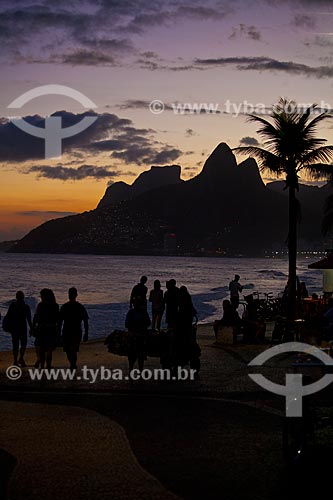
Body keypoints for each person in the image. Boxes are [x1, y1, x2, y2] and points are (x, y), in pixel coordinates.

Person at [59, 287, 89, 369]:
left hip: (69, 331)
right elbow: (85, 321)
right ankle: (73, 363)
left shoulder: (65, 307)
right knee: (72, 350)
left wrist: (58, 333)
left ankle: (72, 364)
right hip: (74, 331)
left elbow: (60, 321)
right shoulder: (79, 307)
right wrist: (86, 333)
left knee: (70, 350)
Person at [32, 288, 59, 369]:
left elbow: (36, 317)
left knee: (42, 349)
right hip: (51, 328)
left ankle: (42, 366)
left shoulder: (41, 305)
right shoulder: (55, 305)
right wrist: (58, 330)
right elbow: (58, 318)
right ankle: (48, 365)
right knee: (49, 349)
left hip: (41, 328)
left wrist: (33, 327)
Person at [6, 291, 32, 367]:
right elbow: (29, 319)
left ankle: (15, 360)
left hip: (14, 328)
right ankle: (21, 358)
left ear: (16, 297)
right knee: (23, 344)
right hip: (23, 328)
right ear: (23, 297)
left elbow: (8, 316)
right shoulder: (26, 307)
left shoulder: (12, 305)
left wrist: (8, 326)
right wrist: (31, 328)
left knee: (15, 345)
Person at [125, 296, 151, 374]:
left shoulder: (132, 312)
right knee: (139, 355)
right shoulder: (142, 312)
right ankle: (138, 370)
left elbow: (127, 324)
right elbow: (148, 323)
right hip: (138, 336)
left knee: (135, 356)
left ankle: (132, 370)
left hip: (136, 336)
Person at [174, 286, 197, 367]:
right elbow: (191, 305)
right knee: (188, 335)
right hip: (187, 319)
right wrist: (194, 312)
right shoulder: (187, 297)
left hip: (182, 318)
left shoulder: (179, 298)